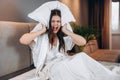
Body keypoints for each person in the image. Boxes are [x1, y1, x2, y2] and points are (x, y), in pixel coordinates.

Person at [19, 9, 120, 80]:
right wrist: (41, 30)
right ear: (48, 22)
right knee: (64, 65)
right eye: (53, 21)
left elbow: (83, 42)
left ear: (61, 23)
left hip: (64, 60)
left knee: (81, 56)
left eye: (58, 21)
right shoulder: (40, 39)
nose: (55, 24)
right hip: (51, 67)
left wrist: (66, 31)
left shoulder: (61, 39)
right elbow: (23, 40)